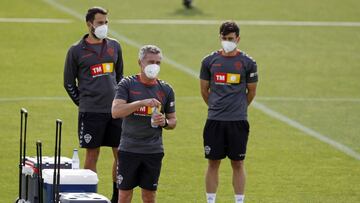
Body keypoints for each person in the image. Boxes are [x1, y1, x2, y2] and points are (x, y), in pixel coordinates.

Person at [63, 6, 123, 203]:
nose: (104, 26)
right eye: (100, 23)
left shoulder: (115, 46)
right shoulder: (75, 51)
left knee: (120, 154)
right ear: (89, 24)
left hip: (115, 112)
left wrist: (119, 101)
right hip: (91, 112)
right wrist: (83, 103)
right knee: (91, 155)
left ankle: (117, 197)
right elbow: (69, 83)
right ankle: (89, 197)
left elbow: (120, 76)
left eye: (106, 22)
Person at [199, 21, 258, 203]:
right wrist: (216, 107)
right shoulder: (209, 61)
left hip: (238, 121)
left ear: (238, 39)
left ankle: (239, 201)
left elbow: (251, 92)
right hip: (215, 120)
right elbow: (204, 90)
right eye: (224, 38)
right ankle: (210, 201)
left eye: (231, 38)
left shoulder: (248, 63)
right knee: (213, 163)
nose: (227, 41)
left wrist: (238, 108)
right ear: (220, 37)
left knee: (238, 163)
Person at [112, 45, 176, 203]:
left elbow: (173, 121)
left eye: (158, 62)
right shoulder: (127, 84)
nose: (154, 66)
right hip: (129, 149)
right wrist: (141, 103)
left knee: (149, 196)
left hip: (153, 151)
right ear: (140, 62)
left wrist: (164, 122)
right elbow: (116, 111)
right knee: (124, 195)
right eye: (150, 62)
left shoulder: (166, 89)